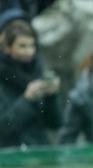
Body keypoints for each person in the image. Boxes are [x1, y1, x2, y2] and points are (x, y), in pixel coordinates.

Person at [0, 19, 61, 148]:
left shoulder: (39, 73)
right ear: (7, 48)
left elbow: (55, 124)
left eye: (32, 45)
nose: (29, 52)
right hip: (10, 159)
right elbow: (4, 128)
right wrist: (27, 99)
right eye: (22, 46)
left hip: (39, 154)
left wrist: (51, 96)